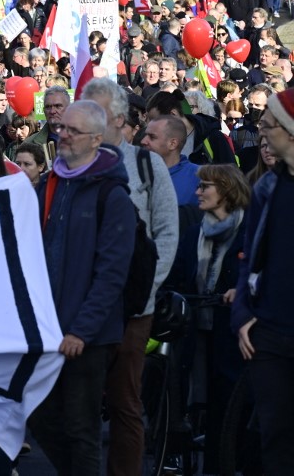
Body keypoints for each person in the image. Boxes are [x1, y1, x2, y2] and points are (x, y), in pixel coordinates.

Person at [30, 100, 137, 475]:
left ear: (96, 139)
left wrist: (82, 330)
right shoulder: (49, 185)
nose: (63, 136)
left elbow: (111, 273)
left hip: (87, 336)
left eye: (73, 131)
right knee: (40, 417)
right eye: (62, 129)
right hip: (48, 328)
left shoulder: (112, 195)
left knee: (81, 429)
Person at [81, 78, 179, 476]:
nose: (85, 121)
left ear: (120, 120)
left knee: (124, 402)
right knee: (79, 405)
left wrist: (144, 291)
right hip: (83, 307)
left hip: (133, 310)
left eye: (96, 114)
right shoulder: (72, 163)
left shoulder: (146, 164)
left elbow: (167, 232)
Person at [169, 165, 250, 473]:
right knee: (202, 401)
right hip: (196, 332)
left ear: (227, 190)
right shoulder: (194, 232)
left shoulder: (249, 230)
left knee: (230, 404)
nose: (198, 192)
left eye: (205, 187)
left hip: (230, 333)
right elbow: (179, 274)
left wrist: (238, 291)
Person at [232, 87, 294, 473]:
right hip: (268, 334)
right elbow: (247, 260)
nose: (263, 132)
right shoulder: (268, 188)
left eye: (269, 125)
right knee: (275, 437)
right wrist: (243, 314)